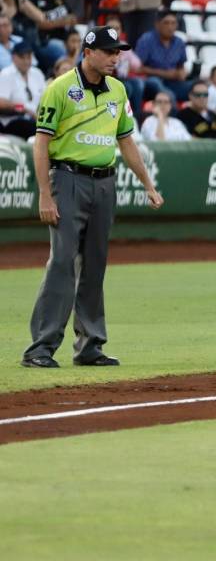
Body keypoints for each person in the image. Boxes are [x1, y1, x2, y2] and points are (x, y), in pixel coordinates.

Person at [23, 26, 163, 368]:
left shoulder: (118, 90)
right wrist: (45, 194)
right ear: (88, 53)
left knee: (95, 264)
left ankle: (89, 346)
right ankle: (40, 347)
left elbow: (126, 141)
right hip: (68, 179)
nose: (116, 57)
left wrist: (147, 183)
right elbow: (41, 142)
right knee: (62, 262)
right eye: (110, 51)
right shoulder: (60, 89)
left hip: (105, 182)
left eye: (118, 52)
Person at [133, 10, 191, 100]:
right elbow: (137, 68)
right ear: (157, 24)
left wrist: (182, 73)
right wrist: (164, 74)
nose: (170, 27)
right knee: (167, 94)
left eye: (173, 23)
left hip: (173, 82)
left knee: (197, 88)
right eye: (166, 23)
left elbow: (181, 66)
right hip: (151, 81)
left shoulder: (179, 42)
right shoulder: (146, 40)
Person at [0, 41, 46, 139]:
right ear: (13, 57)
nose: (26, 61)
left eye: (28, 57)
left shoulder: (37, 73)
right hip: (13, 121)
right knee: (32, 128)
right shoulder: (6, 74)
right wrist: (24, 108)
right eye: (22, 57)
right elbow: (1, 103)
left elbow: (46, 97)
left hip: (35, 119)